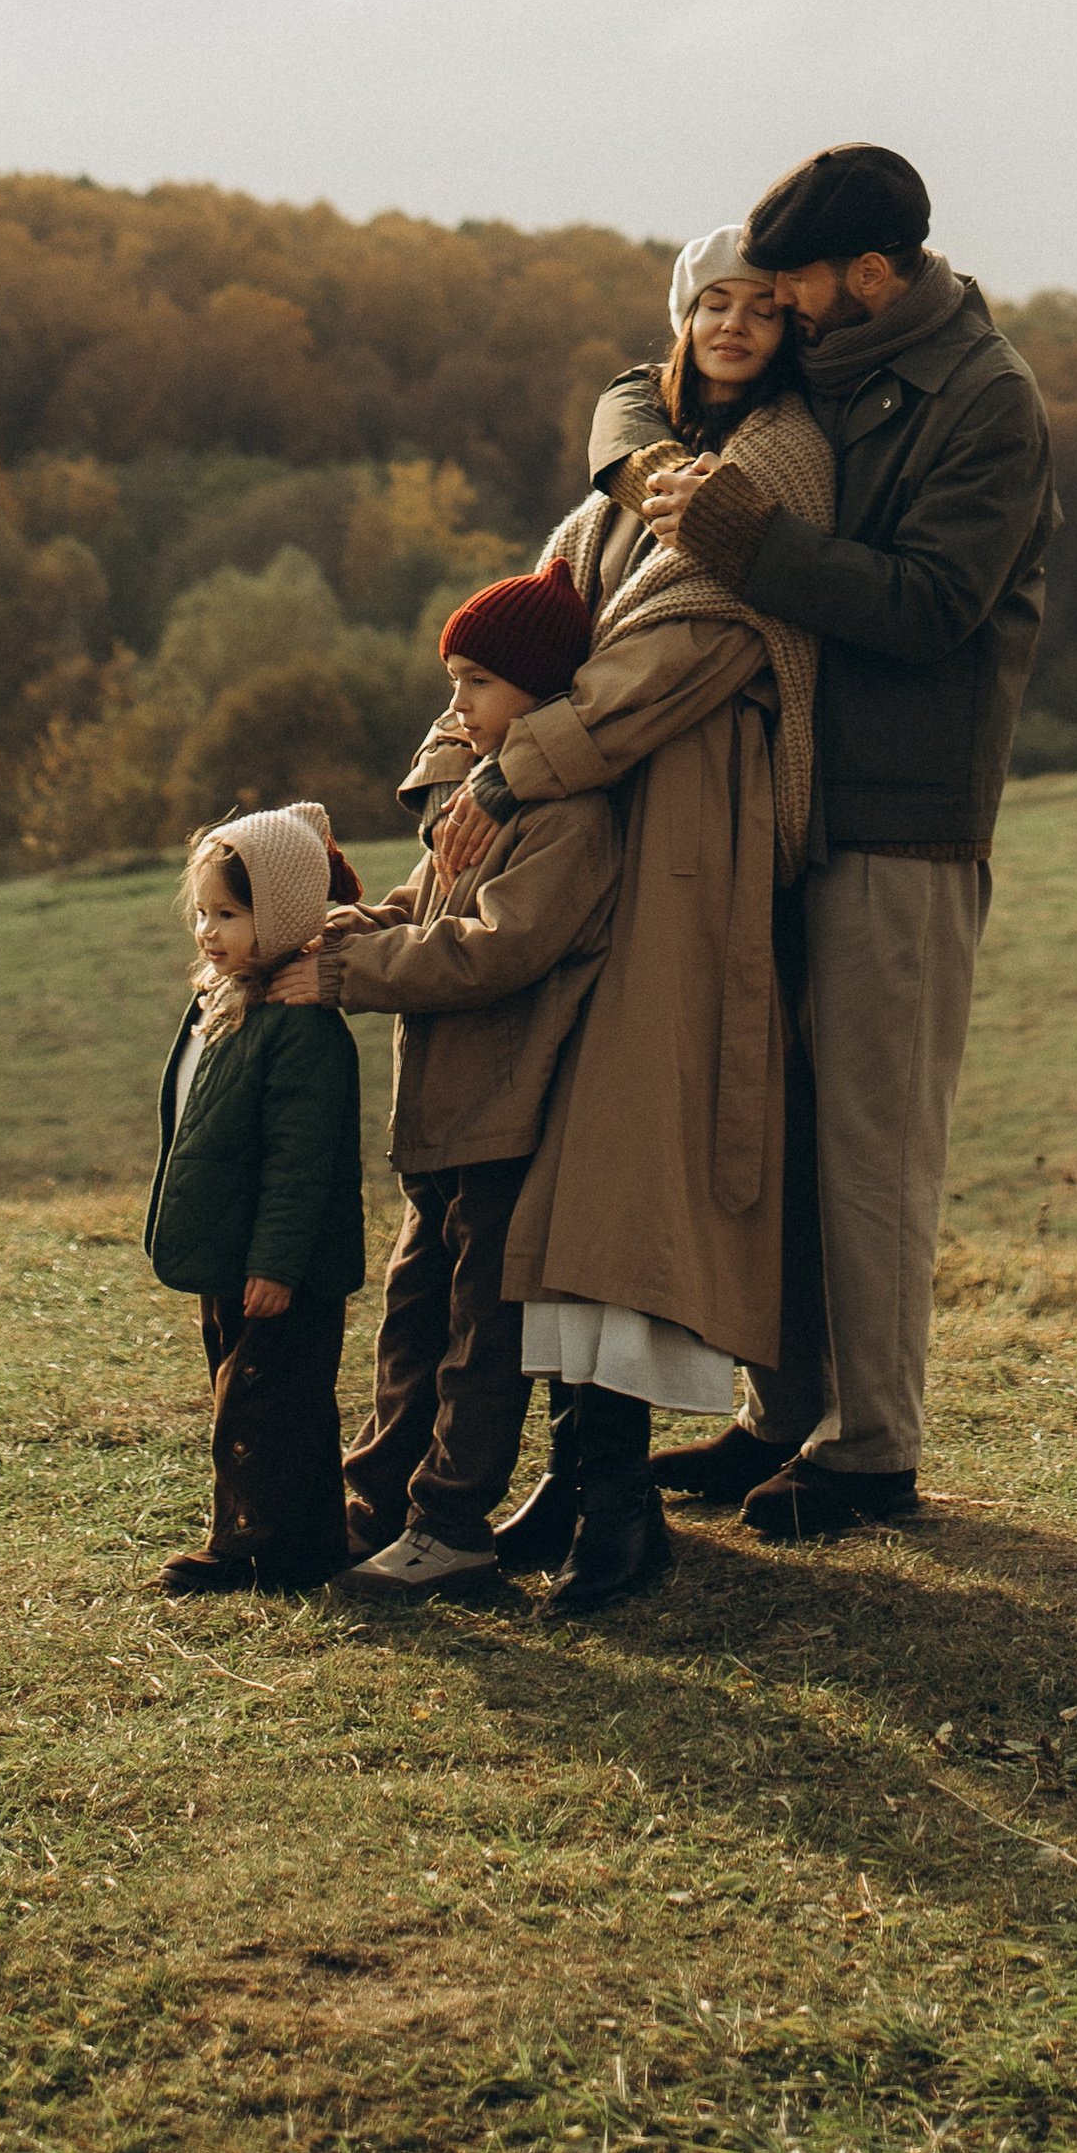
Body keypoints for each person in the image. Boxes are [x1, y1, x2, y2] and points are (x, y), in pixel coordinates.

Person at [614, 143, 1057, 1542]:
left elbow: (932, 606)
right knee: (781, 1129)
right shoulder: (837, 352)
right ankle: (782, 1412)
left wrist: (744, 537)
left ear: (869, 272)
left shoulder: (985, 400)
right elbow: (641, 387)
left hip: (903, 822)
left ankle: (874, 1447)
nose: (778, 307)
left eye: (796, 281)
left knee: (872, 1144)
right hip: (787, 807)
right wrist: (639, 467)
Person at [432, 224, 835, 1617]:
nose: (734, 324)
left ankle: (619, 1506)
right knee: (556, 1160)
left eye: (761, 306)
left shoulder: (775, 467)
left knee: (624, 1161)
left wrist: (505, 773)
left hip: (683, 852)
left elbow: (667, 662)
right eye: (712, 300)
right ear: (680, 315)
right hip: (580, 838)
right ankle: (573, 1474)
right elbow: (523, 634)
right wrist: (445, 772)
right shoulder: (626, 479)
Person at [276, 557, 620, 1607]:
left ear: (540, 689)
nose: (457, 704)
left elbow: (488, 950)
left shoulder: (569, 818)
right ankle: (377, 1503)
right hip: (442, 1117)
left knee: (480, 1339)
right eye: (453, 681)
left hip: (503, 1118)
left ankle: (452, 1526)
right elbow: (423, 908)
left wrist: (348, 975)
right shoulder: (477, 803)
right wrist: (353, 924)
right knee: (410, 1323)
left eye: (477, 681)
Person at [142, 799, 365, 1598]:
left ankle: (255, 1545)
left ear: (282, 917)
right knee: (245, 1389)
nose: (208, 930)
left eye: (229, 915)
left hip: (281, 1264)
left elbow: (300, 1164)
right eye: (203, 912)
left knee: (267, 1403)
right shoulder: (224, 1001)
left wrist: (276, 1264)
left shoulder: (299, 1029)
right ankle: (300, 1542)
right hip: (231, 1250)